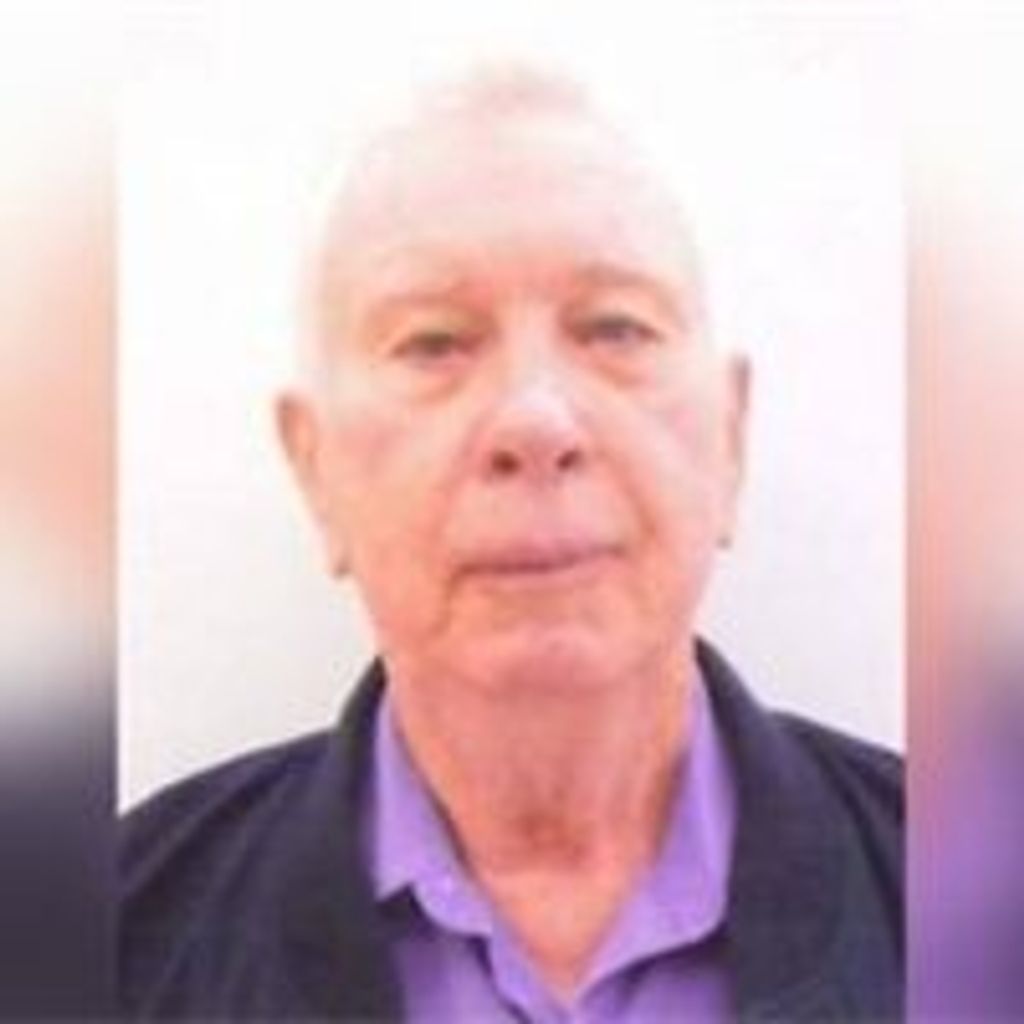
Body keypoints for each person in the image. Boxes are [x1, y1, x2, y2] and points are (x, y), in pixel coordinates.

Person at [120, 68, 902, 1021]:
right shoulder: (118, 938)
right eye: (434, 342)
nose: (535, 420)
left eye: (614, 328)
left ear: (730, 438)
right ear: (315, 465)